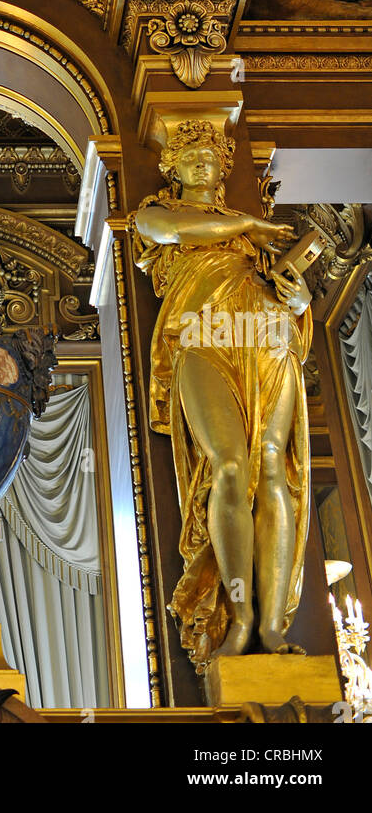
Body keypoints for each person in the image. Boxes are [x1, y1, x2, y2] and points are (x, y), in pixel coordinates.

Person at [132, 120, 312, 672]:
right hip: (202, 341)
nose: (202, 163)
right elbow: (167, 230)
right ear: (172, 168)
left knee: (272, 467)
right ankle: (237, 620)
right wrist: (250, 223)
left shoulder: (256, 240)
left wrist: (299, 298)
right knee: (230, 466)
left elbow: (295, 301)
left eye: (210, 155)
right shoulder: (158, 217)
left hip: (268, 335)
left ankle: (273, 626)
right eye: (189, 157)